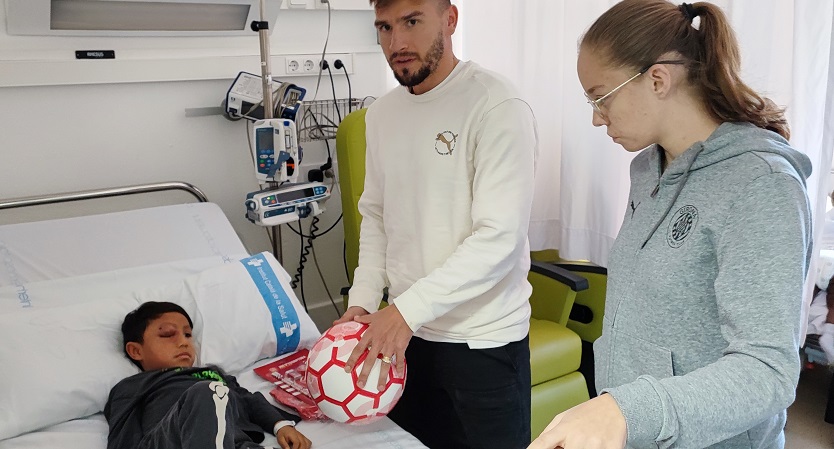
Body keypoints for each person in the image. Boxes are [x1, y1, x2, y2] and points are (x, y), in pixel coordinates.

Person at [529, 1, 812, 448]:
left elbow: (769, 372)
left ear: (658, 79)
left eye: (600, 97)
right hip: (644, 434)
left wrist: (627, 411)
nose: (596, 117)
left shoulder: (761, 184)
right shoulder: (648, 169)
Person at [333, 0, 538, 447]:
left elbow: (498, 240)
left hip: (480, 342)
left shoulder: (496, 105)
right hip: (404, 339)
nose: (397, 43)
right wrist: (364, 300)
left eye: (412, 22)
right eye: (384, 27)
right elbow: (376, 215)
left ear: (450, 19)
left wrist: (405, 311)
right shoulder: (382, 115)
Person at [104, 301, 312, 449]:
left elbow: (249, 401)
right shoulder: (134, 385)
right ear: (136, 351)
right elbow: (123, 431)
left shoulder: (213, 374)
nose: (184, 342)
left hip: (232, 442)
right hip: (167, 441)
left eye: (187, 335)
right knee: (208, 392)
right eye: (168, 334)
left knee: (215, 391)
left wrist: (281, 426)